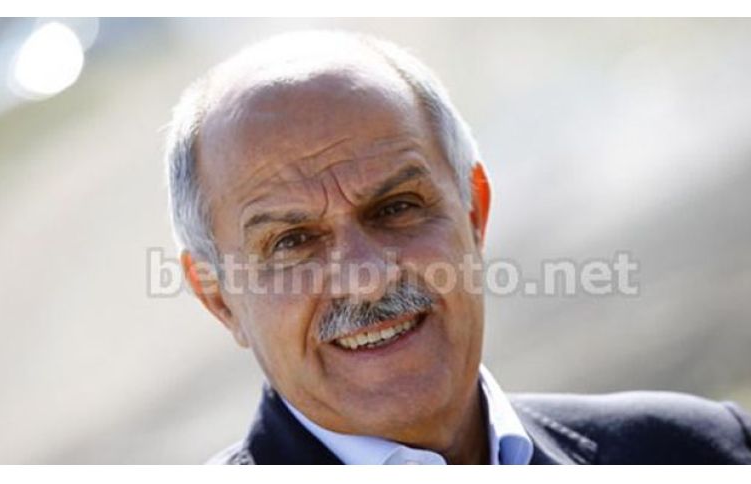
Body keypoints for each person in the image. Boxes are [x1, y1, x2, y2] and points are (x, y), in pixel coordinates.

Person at [164, 31, 751, 464]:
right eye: (292, 241)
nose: (368, 277)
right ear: (219, 299)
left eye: (396, 207)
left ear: (473, 212)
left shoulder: (699, 451)